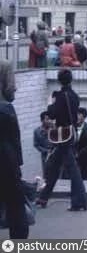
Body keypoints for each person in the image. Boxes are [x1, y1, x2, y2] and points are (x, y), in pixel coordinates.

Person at [39, 69, 86, 211]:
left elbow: (53, 113)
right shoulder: (74, 96)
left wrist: (50, 105)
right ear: (71, 80)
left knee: (72, 169)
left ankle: (79, 201)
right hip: (69, 133)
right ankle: (43, 198)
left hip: (61, 136)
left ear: (59, 81)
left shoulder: (60, 96)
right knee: (54, 166)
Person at [0, 78, 26, 239]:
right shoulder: (6, 110)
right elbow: (15, 140)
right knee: (16, 207)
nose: (15, 88)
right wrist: (18, 164)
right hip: (7, 162)